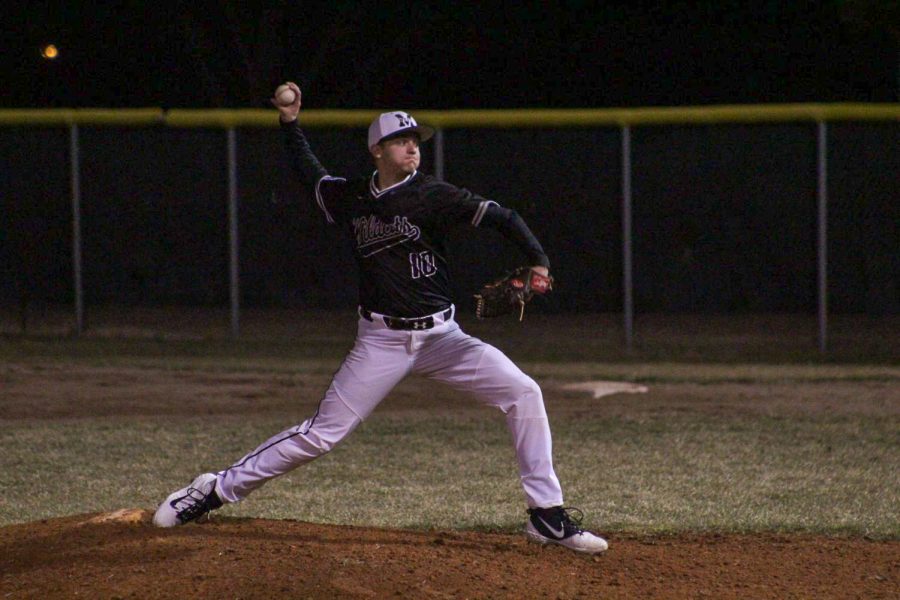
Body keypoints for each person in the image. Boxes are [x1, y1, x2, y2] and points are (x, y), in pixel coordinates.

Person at [152, 82, 608, 554]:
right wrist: (290, 121)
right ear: (377, 150)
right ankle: (213, 489)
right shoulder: (352, 197)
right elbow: (310, 174)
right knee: (320, 436)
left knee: (523, 392)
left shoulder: (434, 194)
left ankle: (547, 516)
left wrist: (538, 260)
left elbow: (502, 217)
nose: (413, 146)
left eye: (416, 140)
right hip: (381, 342)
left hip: (444, 338)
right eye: (402, 140)